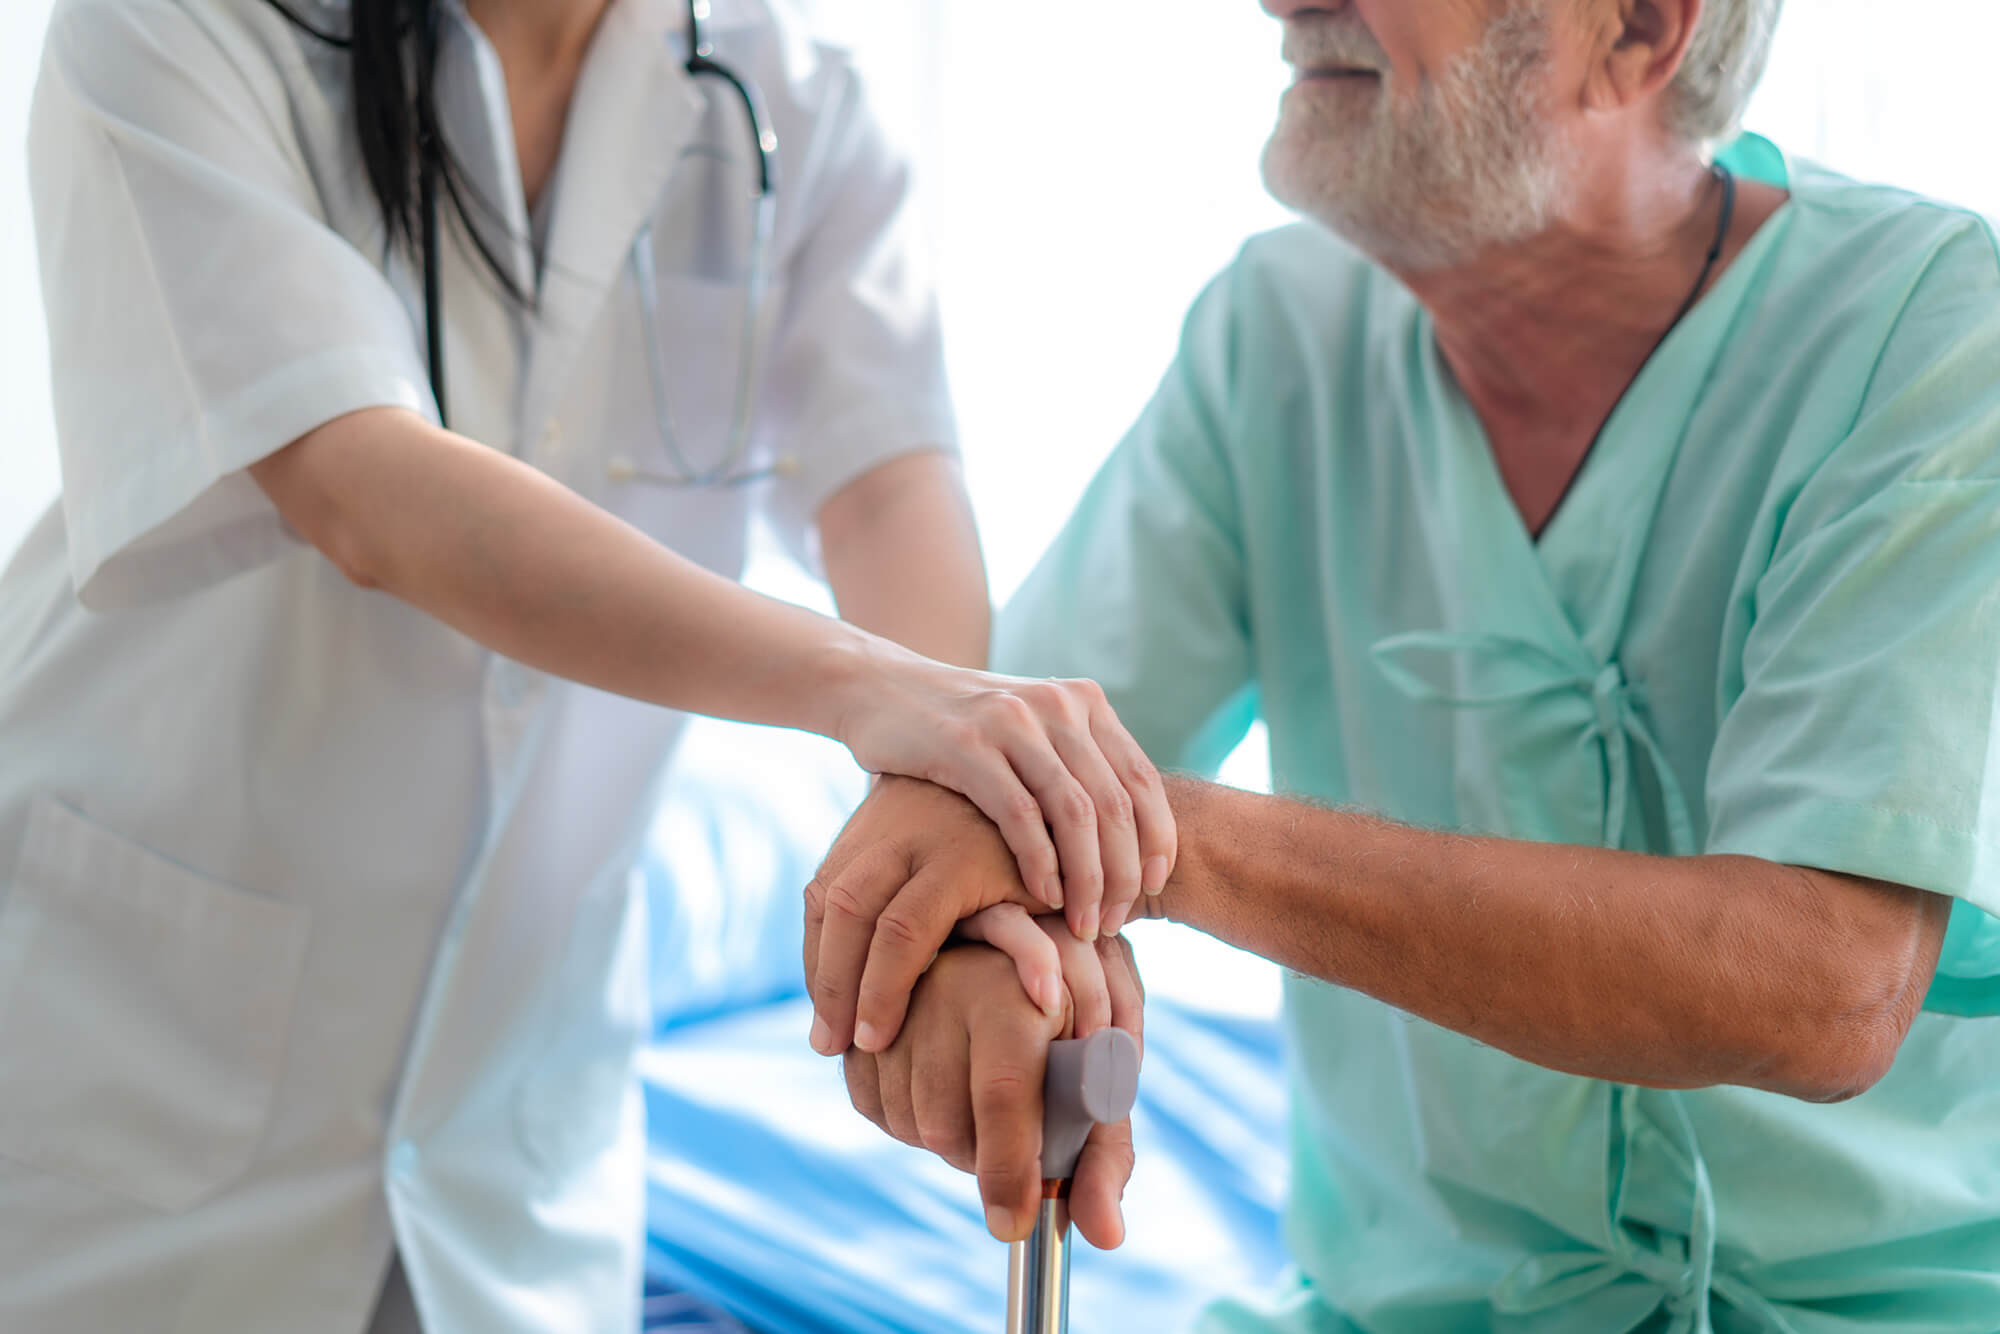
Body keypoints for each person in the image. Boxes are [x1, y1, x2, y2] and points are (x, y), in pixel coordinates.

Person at [805, 0, 2000, 1329]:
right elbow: (991, 790)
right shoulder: (1276, 339)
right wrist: (991, 951)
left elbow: (1826, 987)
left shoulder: (1924, 332)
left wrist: (1154, 841)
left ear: (1640, 30)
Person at [0, 0, 1177, 1329]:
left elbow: (890, 482)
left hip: (516, 1135)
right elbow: (362, 490)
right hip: (128, 1093)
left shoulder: (788, 95)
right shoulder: (180, 27)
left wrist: (947, 837)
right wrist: (880, 694)